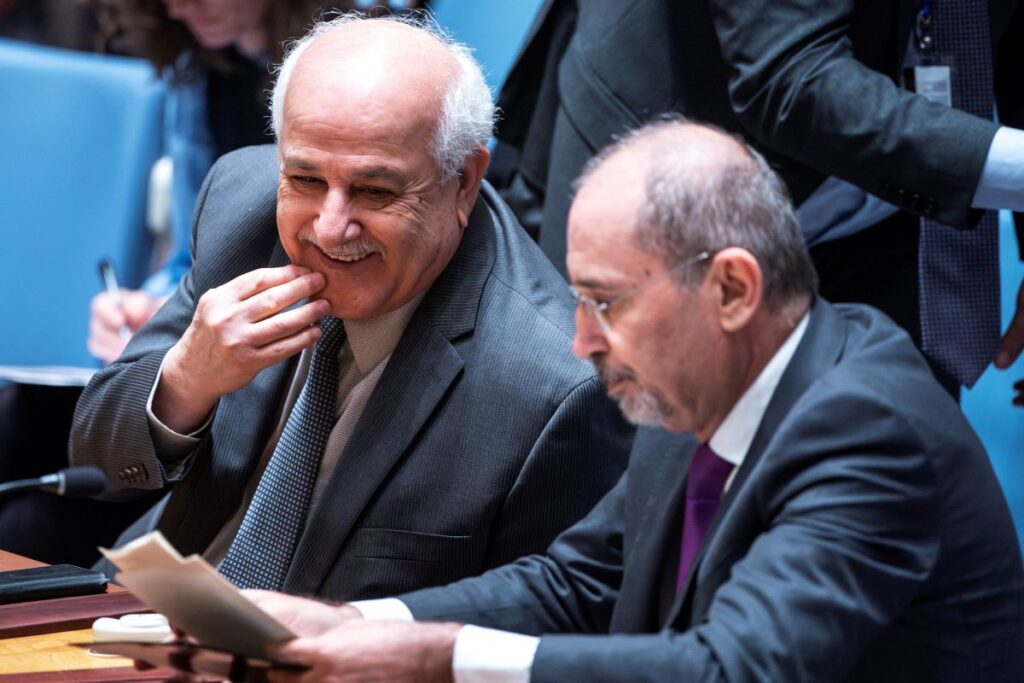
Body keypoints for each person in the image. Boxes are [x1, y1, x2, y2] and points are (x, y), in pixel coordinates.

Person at [246, 120, 1024, 683]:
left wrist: (434, 658)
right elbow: (578, 581)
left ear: (731, 289)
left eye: (607, 303)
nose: (582, 341)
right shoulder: (693, 385)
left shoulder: (868, 427)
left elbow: (736, 667)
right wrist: (366, 622)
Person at [70, 13, 632, 601]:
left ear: (463, 182)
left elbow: (541, 619)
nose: (331, 229)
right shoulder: (242, 208)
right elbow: (99, 464)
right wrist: (188, 378)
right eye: (306, 179)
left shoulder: (553, 384)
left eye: (375, 191)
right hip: (147, 613)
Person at [488, 0, 1024, 396]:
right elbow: (790, 78)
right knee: (627, 487)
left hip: (892, 205)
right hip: (678, 162)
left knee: (887, 480)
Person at [86, 0, 343, 364]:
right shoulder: (196, 73)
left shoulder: (359, 64)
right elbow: (194, 258)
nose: (176, 9)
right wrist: (152, 309)